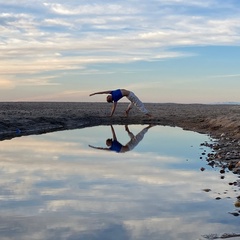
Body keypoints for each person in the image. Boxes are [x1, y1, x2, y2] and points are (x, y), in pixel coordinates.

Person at [89, 125, 154, 153]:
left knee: (132, 138)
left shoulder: (114, 141)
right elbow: (102, 149)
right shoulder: (111, 149)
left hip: (128, 145)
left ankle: (127, 130)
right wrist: (94, 147)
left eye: (107, 142)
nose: (107, 144)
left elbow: (113, 132)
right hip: (130, 146)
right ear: (109, 144)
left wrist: (111, 125)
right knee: (140, 134)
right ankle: (150, 126)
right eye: (107, 143)